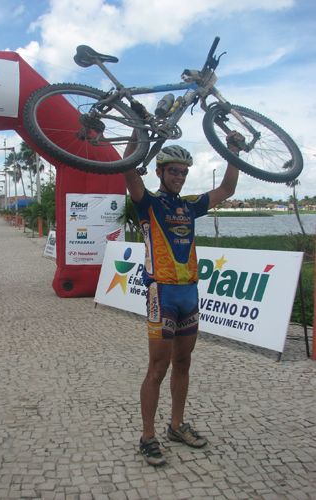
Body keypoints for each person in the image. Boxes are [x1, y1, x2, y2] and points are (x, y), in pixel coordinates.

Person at [124, 131, 244, 466]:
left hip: (189, 292)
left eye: (183, 172)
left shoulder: (190, 206)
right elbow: (128, 170)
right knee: (157, 368)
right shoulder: (147, 202)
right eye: (173, 171)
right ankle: (147, 436)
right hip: (160, 292)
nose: (179, 176)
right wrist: (135, 134)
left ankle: (176, 426)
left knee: (184, 363)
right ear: (160, 172)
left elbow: (227, 190)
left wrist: (232, 151)